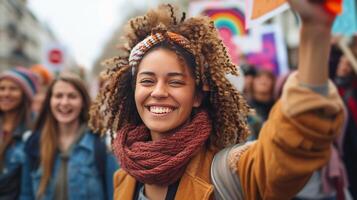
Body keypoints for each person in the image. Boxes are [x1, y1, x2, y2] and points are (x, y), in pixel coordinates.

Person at [90, 0, 345, 199]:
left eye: (175, 81)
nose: (158, 91)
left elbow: (288, 153)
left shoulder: (230, 171)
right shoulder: (123, 178)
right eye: (147, 81)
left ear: (198, 95)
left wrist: (314, 32)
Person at [20, 74, 118, 200]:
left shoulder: (102, 144)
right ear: (50, 101)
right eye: (58, 96)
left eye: (72, 96)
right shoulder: (34, 143)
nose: (64, 102)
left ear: (83, 102)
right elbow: (26, 195)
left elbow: (115, 195)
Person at [0, 67, 39, 199]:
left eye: (13, 89)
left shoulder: (35, 129)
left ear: (25, 94)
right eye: (2, 88)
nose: (5, 94)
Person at [335, 55, 357, 199]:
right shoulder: (332, 89)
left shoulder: (354, 90)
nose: (343, 66)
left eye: (348, 63)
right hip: (344, 150)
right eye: (341, 62)